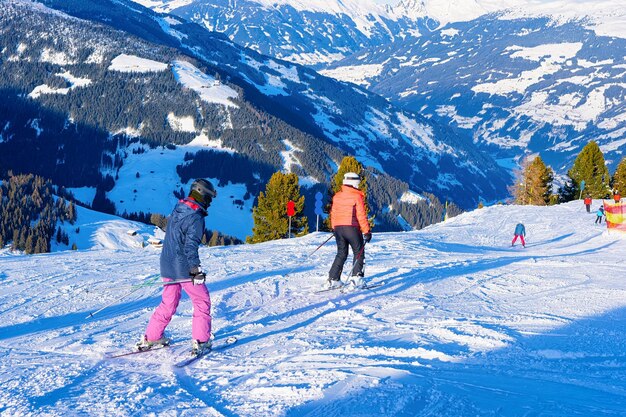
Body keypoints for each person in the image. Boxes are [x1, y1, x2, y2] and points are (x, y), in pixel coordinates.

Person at [138, 178, 217, 355]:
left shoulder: (179, 209)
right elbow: (190, 247)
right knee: (201, 301)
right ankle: (201, 340)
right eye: (209, 198)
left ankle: (152, 336)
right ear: (202, 194)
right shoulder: (196, 217)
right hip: (184, 268)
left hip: (166, 264)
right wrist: (195, 270)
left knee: (169, 302)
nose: (210, 203)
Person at [326, 172, 372, 289]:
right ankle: (357, 279)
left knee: (341, 253)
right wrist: (366, 231)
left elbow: (333, 213)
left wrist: (334, 227)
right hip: (351, 228)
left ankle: (333, 279)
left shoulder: (337, 196)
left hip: (338, 228)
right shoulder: (357, 196)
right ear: (354, 182)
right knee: (359, 252)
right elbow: (361, 215)